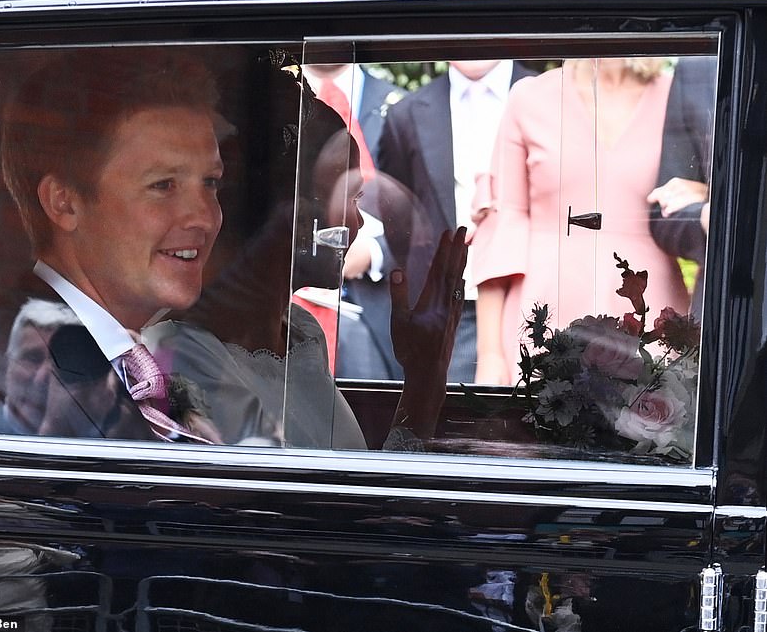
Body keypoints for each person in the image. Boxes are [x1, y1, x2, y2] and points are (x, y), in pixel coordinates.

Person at [146, 66, 469, 450]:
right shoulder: (185, 358)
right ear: (294, 218)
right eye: (349, 199)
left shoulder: (301, 331)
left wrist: (424, 374)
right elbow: (339, 505)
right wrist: (425, 380)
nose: (359, 221)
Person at [0, 47, 227, 441]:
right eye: (163, 185)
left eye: (210, 183)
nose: (205, 217)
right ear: (65, 202)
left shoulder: (166, 359)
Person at [472, 57, 691, 384]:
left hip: (652, 314)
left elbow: (712, 212)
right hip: (542, 318)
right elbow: (502, 225)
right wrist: (489, 356)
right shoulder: (530, 98)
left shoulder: (679, 96)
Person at [377, 60, 536, 383]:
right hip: (450, 307)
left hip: (536, 296)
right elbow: (398, 218)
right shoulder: (405, 113)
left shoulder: (549, 97)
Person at [302, 63, 407, 380]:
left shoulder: (400, 106)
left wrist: (373, 252)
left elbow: (421, 216)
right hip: (282, 308)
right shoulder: (269, 97)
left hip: (368, 315)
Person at [647, 55, 717, 320]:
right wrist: (705, 215)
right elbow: (663, 211)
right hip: (726, 307)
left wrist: (716, 198)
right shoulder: (697, 68)